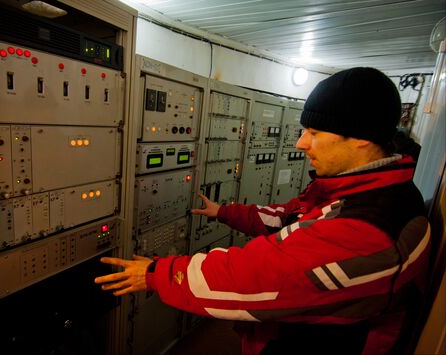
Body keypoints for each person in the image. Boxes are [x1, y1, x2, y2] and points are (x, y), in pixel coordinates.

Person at [94, 67, 430, 354]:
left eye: (314, 132)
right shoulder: (371, 192)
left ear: (360, 138)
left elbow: (254, 277)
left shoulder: (366, 227)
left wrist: (156, 274)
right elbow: (288, 217)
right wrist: (225, 212)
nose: (300, 143)